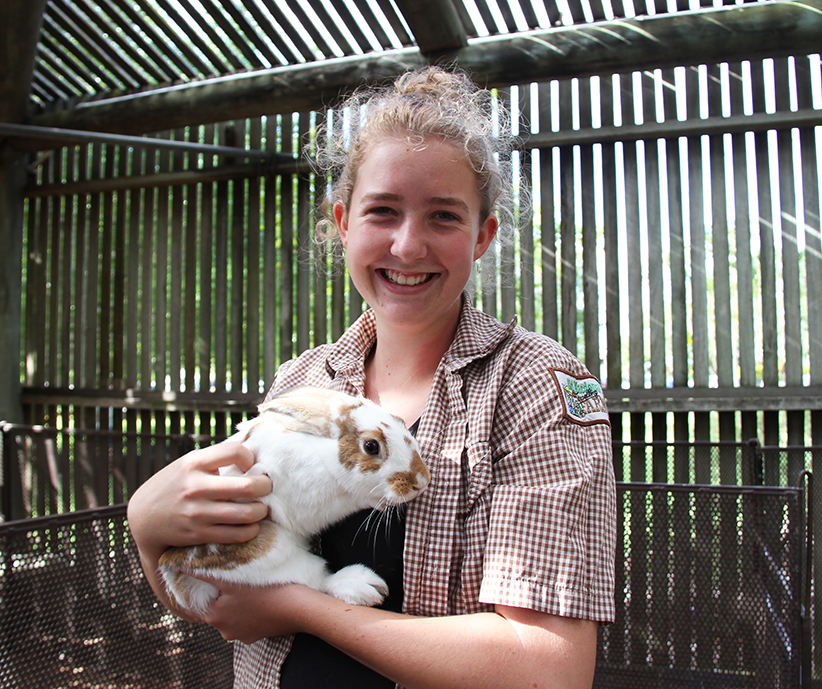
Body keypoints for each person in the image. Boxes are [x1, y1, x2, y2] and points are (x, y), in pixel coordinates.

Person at [127, 65, 616, 689]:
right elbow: (218, 599)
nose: (409, 246)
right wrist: (147, 528)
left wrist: (302, 606)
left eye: (444, 216)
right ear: (344, 223)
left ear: (483, 236)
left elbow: (548, 670)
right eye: (383, 210)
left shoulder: (534, 386)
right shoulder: (301, 382)